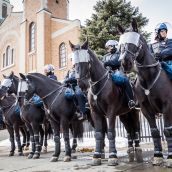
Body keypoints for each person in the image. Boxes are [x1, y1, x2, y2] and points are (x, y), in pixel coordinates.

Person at [103, 40, 136, 109]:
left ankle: (131, 100)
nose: (108, 49)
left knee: (124, 80)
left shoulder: (119, 54)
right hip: (107, 73)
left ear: (114, 46)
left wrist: (106, 63)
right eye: (107, 47)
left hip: (117, 72)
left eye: (109, 47)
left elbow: (116, 62)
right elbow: (102, 63)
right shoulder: (105, 56)